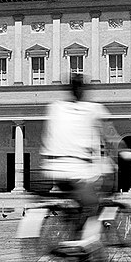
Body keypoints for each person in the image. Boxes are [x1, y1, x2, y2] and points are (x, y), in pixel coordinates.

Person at [40, 74, 113, 244]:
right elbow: (111, 136)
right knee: (93, 203)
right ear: (83, 90)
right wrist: (124, 152)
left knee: (75, 203)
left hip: (53, 169)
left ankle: (73, 231)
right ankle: (84, 244)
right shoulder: (92, 108)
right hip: (76, 169)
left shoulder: (55, 107)